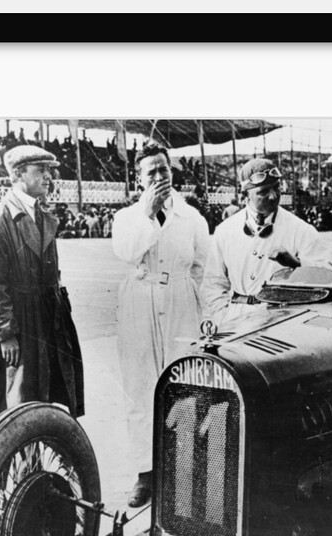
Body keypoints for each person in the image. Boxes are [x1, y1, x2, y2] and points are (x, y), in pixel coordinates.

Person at [112, 142, 210, 508]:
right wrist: (148, 214)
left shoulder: (193, 218)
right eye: (150, 171)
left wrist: (200, 309)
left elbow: (202, 268)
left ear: (172, 173)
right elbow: (126, 252)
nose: (158, 176)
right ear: (138, 178)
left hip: (181, 299)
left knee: (185, 384)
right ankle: (146, 473)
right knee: (140, 387)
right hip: (140, 298)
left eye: (163, 169)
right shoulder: (127, 217)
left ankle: (185, 469)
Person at [0, 145, 85, 426]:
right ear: (19, 174)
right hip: (20, 322)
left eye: (49, 170)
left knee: (46, 400)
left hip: (48, 319)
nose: (49, 176)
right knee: (18, 404)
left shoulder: (42, 214)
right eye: (41, 170)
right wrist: (5, 334)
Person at [202, 158, 332, 327]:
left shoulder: (301, 230)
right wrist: (223, 316)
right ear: (245, 195)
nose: (273, 196)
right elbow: (213, 284)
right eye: (263, 192)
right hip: (235, 321)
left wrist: (296, 264)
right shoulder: (225, 231)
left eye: (277, 188)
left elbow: (327, 277)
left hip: (283, 321)